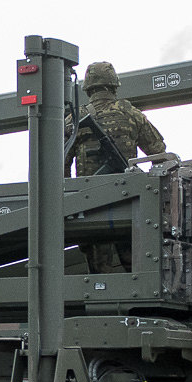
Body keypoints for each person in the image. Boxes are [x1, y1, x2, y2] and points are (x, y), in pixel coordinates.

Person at [69, 61, 169, 273]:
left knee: (98, 273)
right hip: (127, 202)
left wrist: (69, 201)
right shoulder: (131, 113)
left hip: (89, 204)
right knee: (137, 269)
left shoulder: (74, 119)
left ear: (87, 88)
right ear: (114, 86)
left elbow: (59, 163)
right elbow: (159, 153)